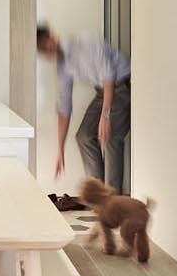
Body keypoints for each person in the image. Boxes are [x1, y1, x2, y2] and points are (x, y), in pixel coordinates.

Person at [35, 21, 130, 194]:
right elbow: (64, 108)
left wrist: (105, 116)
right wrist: (60, 150)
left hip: (121, 86)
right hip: (103, 91)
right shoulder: (63, 66)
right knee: (84, 136)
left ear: (53, 36)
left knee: (109, 136)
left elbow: (109, 77)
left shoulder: (84, 44)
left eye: (45, 44)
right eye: (42, 50)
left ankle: (112, 199)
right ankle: (99, 195)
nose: (47, 50)